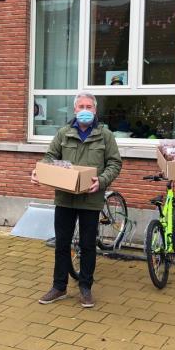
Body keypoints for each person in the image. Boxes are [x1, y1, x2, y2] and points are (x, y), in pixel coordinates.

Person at [31, 91, 122, 308]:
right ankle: (59, 286)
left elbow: (115, 164)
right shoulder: (63, 133)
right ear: (74, 110)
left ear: (95, 110)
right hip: (65, 198)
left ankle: (85, 288)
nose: (84, 111)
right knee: (62, 243)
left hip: (91, 199)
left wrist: (101, 181)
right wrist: (40, 171)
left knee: (88, 244)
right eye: (80, 107)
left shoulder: (105, 135)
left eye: (88, 107)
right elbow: (50, 157)